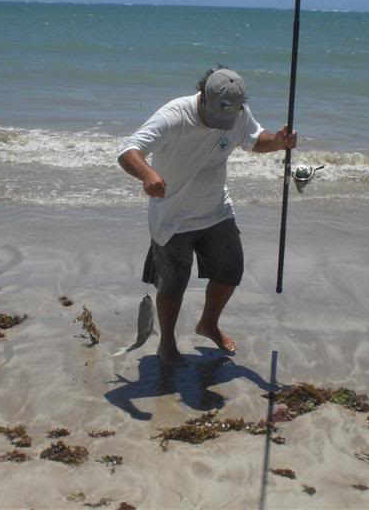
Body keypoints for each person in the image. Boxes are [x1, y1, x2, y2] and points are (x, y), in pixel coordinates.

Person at [118, 67, 297, 365]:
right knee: (174, 284)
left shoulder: (238, 113)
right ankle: (167, 343)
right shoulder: (174, 115)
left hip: (216, 209)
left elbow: (254, 140)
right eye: (215, 117)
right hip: (172, 216)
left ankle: (208, 324)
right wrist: (147, 173)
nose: (220, 126)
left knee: (230, 270)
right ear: (202, 97)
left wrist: (278, 141)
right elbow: (128, 151)